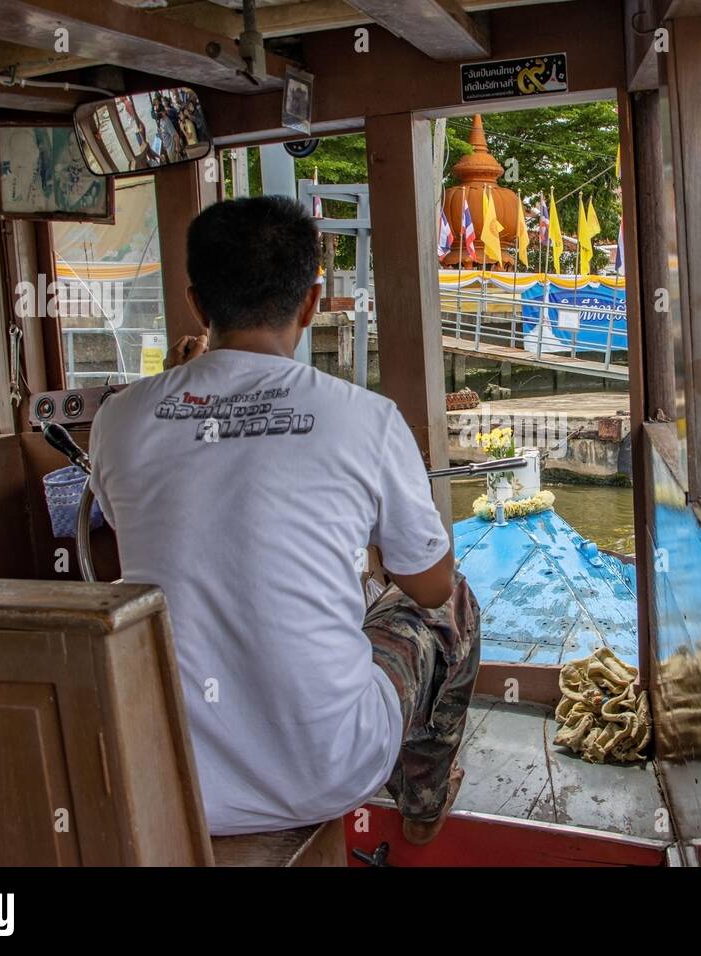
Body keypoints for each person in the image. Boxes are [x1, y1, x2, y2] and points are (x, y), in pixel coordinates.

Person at [88, 196, 479, 843]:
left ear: (194, 301)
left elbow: (137, 516)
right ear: (311, 301)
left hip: (173, 776)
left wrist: (177, 386)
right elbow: (431, 587)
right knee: (454, 603)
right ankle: (423, 796)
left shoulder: (118, 419)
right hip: (330, 767)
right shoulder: (365, 418)